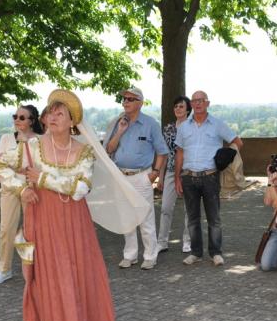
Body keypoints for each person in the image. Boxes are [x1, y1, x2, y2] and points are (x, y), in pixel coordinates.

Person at [0, 89, 116, 321]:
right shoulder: (31, 147)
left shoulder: (84, 152)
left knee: (83, 271)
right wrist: (21, 188)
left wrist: (43, 179)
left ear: (72, 122)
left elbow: (81, 189)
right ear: (44, 119)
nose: (53, 117)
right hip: (41, 218)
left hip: (75, 222)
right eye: (50, 113)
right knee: (40, 272)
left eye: (60, 114)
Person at [174, 90, 243, 266]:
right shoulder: (183, 127)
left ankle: (216, 253)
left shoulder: (217, 124)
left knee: (214, 219)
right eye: (194, 101)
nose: (197, 103)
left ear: (207, 103)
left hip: (210, 177)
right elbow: (179, 153)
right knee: (192, 219)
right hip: (188, 177)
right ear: (191, 104)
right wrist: (177, 178)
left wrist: (225, 157)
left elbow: (238, 142)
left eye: (201, 100)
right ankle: (196, 253)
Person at [103, 86, 168, 270]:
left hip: (141, 176)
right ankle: (130, 255)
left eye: (130, 99)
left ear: (140, 103)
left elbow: (162, 151)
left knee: (145, 218)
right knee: (126, 218)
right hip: (121, 176)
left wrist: (155, 173)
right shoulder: (118, 123)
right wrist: (120, 131)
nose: (126, 102)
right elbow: (109, 149)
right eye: (124, 99)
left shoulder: (150, 124)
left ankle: (150, 256)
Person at [0, 105, 44, 285]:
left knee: (30, 230)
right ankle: (4, 269)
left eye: (22, 117)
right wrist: (15, 174)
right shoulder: (6, 138)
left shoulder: (41, 140)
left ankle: (30, 268)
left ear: (32, 121)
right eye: (15, 116)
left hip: (31, 189)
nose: (17, 120)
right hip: (10, 188)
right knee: (6, 229)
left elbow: (43, 166)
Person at [157, 96, 191, 254]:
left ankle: (188, 241)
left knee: (189, 209)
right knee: (165, 208)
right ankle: (162, 242)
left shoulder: (193, 127)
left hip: (189, 172)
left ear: (188, 110)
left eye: (181, 106)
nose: (178, 109)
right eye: (176, 106)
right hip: (171, 171)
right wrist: (161, 176)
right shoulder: (168, 128)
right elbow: (163, 153)